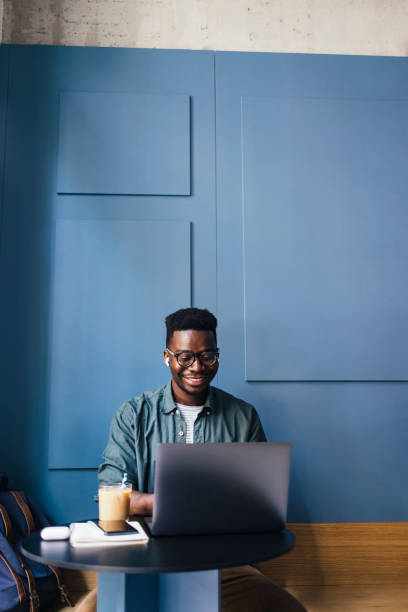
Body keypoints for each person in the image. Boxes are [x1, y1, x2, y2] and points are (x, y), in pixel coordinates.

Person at [77, 308, 305, 612]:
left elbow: (259, 503)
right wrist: (170, 505)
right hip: (146, 558)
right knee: (89, 610)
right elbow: (110, 491)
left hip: (225, 564)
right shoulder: (133, 415)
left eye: (207, 356)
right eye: (185, 357)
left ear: (218, 355)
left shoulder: (243, 417)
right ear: (167, 357)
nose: (197, 367)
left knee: (287, 609)